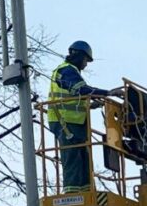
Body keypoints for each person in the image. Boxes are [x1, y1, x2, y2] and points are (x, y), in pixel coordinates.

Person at [48, 41, 118, 193]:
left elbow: (73, 98)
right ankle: (72, 193)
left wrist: (90, 105)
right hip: (64, 121)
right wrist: (108, 93)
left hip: (75, 122)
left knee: (84, 157)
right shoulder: (65, 70)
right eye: (86, 60)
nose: (86, 65)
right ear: (78, 55)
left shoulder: (72, 71)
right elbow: (81, 90)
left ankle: (86, 192)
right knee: (72, 156)